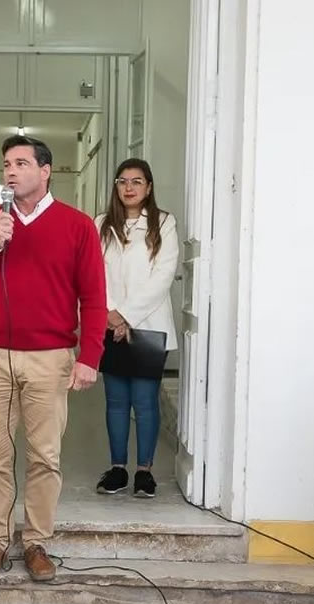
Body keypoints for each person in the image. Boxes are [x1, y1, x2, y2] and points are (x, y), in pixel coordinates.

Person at [0, 135, 107, 583]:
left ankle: (36, 541)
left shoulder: (76, 226)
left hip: (50, 358)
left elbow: (94, 297)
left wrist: (89, 356)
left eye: (21, 163)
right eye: (6, 164)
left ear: (45, 170)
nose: (10, 171)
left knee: (45, 456)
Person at [94, 159, 179, 498]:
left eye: (137, 181)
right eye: (123, 181)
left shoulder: (164, 223)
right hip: (109, 322)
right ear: (116, 187)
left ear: (149, 187)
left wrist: (125, 316)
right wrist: (111, 314)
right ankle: (118, 469)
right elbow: (93, 272)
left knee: (144, 401)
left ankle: (144, 471)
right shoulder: (101, 224)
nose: (129, 188)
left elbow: (163, 275)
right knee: (115, 401)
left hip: (149, 325)